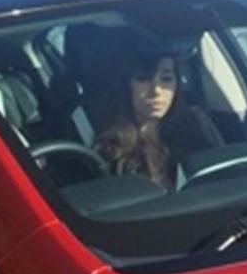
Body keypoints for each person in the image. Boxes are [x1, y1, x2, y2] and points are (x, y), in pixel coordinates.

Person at [93, 43, 221, 190]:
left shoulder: (195, 127)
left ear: (176, 85)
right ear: (127, 86)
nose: (156, 91)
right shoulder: (109, 145)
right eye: (143, 79)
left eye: (166, 79)